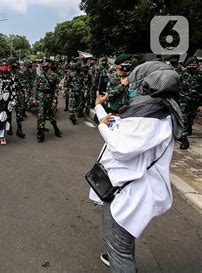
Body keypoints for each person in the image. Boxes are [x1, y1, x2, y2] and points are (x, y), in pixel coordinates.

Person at [91, 61, 182, 272]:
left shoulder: (150, 118)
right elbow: (123, 128)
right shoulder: (154, 110)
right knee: (122, 241)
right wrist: (99, 108)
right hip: (130, 189)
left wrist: (102, 128)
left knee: (119, 250)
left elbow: (122, 148)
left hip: (127, 194)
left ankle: (121, 263)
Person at [33, 58, 62, 142]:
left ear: (49, 65)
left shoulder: (54, 75)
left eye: (45, 64)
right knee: (41, 115)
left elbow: (56, 88)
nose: (44, 65)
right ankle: (40, 133)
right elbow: (35, 87)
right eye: (43, 64)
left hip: (50, 97)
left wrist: (54, 99)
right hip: (41, 96)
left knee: (51, 115)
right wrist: (34, 98)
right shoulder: (40, 75)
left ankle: (56, 129)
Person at [178, 56, 202, 149]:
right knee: (183, 117)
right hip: (183, 99)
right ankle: (183, 138)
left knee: (191, 115)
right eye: (190, 64)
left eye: (194, 64)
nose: (192, 66)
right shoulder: (182, 74)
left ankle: (188, 127)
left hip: (196, 100)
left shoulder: (200, 74)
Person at [8, 57, 25, 137]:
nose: (15, 64)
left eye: (15, 63)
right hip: (8, 95)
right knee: (8, 112)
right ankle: (9, 128)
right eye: (13, 63)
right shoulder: (5, 73)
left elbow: (23, 84)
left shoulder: (20, 73)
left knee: (19, 113)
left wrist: (24, 93)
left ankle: (19, 129)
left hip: (18, 94)